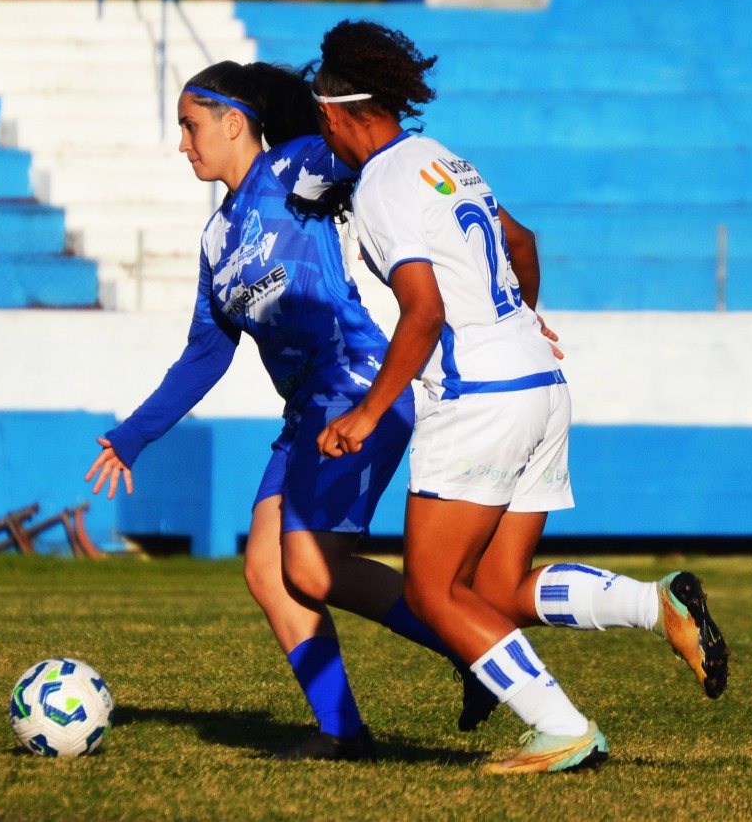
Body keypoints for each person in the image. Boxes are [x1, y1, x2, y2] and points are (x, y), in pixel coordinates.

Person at [310, 20, 729, 774]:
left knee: (434, 590)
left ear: (338, 109)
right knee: (497, 586)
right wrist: (523, 320)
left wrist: (369, 411)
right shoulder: (446, 160)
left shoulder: (379, 184)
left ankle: (561, 726)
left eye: (321, 118)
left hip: (481, 397)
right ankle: (655, 601)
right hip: (540, 379)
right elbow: (523, 242)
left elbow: (424, 308)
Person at [84, 60, 495, 761]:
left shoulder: (294, 170)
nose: (183, 143)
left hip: (361, 386)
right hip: (309, 410)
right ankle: (344, 732)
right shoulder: (217, 240)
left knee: (307, 565)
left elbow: (373, 162)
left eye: (190, 126)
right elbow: (205, 357)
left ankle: (473, 642)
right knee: (268, 573)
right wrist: (132, 437)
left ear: (234, 122)